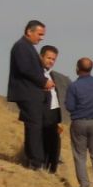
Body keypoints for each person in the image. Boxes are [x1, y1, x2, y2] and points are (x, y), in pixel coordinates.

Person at [6, 19, 52, 169]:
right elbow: (25, 69)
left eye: (43, 35)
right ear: (29, 32)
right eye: (39, 34)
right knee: (34, 126)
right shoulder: (21, 47)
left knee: (34, 126)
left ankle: (34, 159)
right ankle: (35, 162)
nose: (41, 38)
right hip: (27, 93)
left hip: (31, 92)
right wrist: (43, 81)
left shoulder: (27, 47)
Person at [65, 57, 93, 187]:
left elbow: (69, 106)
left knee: (80, 157)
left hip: (79, 123)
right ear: (90, 69)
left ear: (77, 69)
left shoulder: (73, 86)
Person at [38, 45, 71, 174]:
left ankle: (51, 170)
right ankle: (42, 168)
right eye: (48, 58)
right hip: (43, 112)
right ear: (41, 57)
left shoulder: (50, 74)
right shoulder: (37, 73)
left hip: (54, 113)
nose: (51, 61)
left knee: (55, 143)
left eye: (53, 59)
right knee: (44, 141)